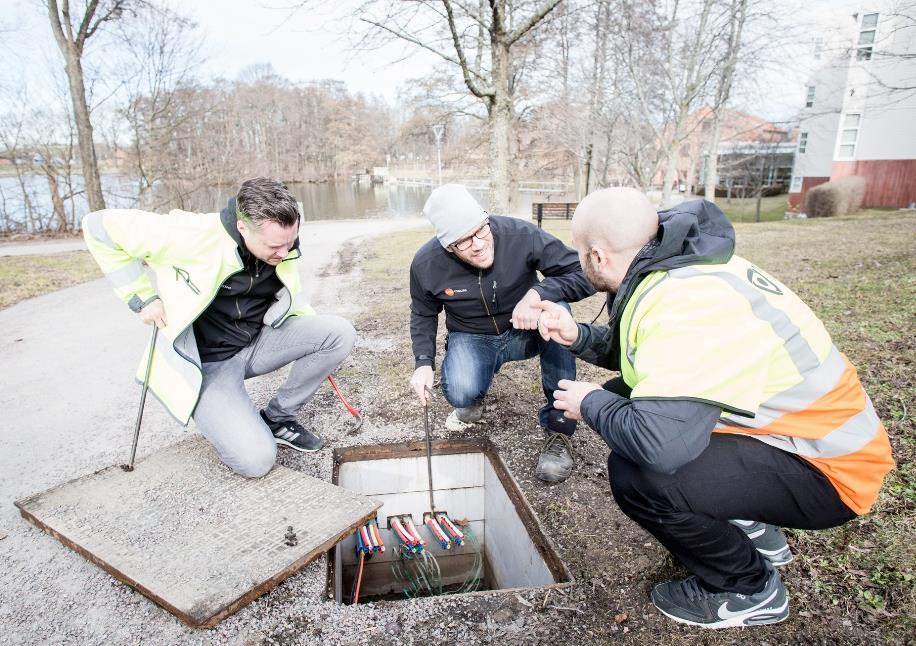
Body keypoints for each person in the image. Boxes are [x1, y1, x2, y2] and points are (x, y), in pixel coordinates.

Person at [536, 187, 894, 628]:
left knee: (639, 476)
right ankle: (749, 522)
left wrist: (590, 402)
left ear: (597, 255)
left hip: (831, 468)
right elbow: (651, 353)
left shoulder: (685, 304)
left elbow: (661, 446)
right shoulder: (678, 265)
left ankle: (746, 587)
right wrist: (581, 337)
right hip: (794, 435)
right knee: (627, 396)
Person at [83, 177, 356, 478]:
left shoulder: (283, 245)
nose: (284, 252)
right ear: (243, 228)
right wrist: (142, 297)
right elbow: (97, 226)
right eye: (275, 246)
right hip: (209, 364)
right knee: (257, 461)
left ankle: (278, 418)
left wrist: (313, 342)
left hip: (256, 343)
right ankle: (238, 421)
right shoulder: (187, 234)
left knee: (337, 333)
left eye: (290, 242)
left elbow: (292, 296)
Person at [408, 184, 594, 483]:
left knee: (556, 310)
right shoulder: (426, 264)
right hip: (473, 335)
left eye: (481, 230)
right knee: (459, 392)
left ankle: (558, 429)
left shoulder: (521, 235)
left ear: (486, 219)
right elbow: (423, 313)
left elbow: (581, 273)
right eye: (463, 241)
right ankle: (475, 391)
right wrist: (423, 362)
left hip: (527, 331)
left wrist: (537, 294)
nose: (478, 244)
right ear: (447, 246)